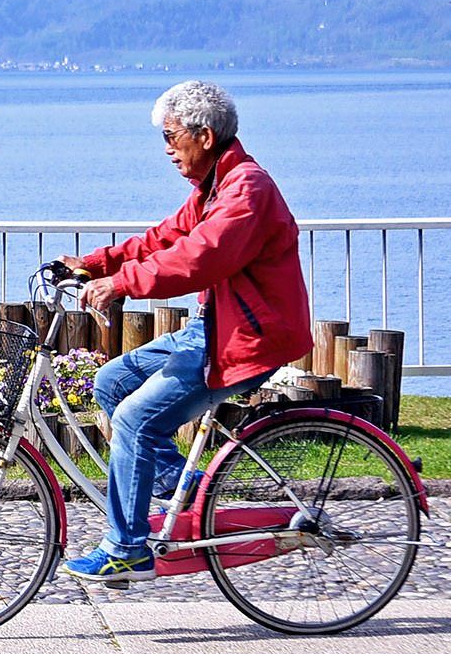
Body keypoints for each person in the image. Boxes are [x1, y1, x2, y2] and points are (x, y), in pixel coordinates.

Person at [58, 80, 311, 584]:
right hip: (211, 329)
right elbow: (164, 238)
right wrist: (92, 264)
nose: (167, 149)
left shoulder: (246, 191)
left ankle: (127, 550)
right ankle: (187, 489)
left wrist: (121, 283)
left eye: (172, 137)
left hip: (243, 341)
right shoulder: (216, 187)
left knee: (133, 421)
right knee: (111, 383)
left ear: (205, 137)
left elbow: (199, 259)